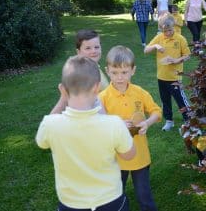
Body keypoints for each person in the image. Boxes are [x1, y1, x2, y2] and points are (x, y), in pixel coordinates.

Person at [36, 55, 136, 211]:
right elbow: (129, 155)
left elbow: (41, 141)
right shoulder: (114, 124)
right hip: (110, 200)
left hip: (70, 203)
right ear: (97, 88)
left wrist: (63, 99)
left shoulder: (51, 124)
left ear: (63, 89)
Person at [98, 45, 162, 211]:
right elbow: (96, 124)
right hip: (115, 157)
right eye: (114, 72)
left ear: (133, 70)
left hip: (139, 155)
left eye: (124, 72)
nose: (119, 77)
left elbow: (156, 111)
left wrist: (147, 123)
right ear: (107, 71)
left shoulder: (139, 93)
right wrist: (116, 123)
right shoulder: (102, 98)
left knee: (144, 196)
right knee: (114, 196)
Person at [144, 14, 191, 131]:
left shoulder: (180, 39)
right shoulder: (159, 37)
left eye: (169, 30)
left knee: (181, 101)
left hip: (175, 77)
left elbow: (187, 56)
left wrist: (176, 60)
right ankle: (169, 121)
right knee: (165, 101)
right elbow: (145, 50)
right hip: (161, 76)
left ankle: (189, 122)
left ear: (173, 27)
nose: (167, 33)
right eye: (165, 31)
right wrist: (155, 46)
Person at [50, 29, 109, 114]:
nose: (93, 51)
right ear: (78, 52)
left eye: (97, 47)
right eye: (88, 48)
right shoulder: (80, 74)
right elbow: (67, 99)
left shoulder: (95, 67)